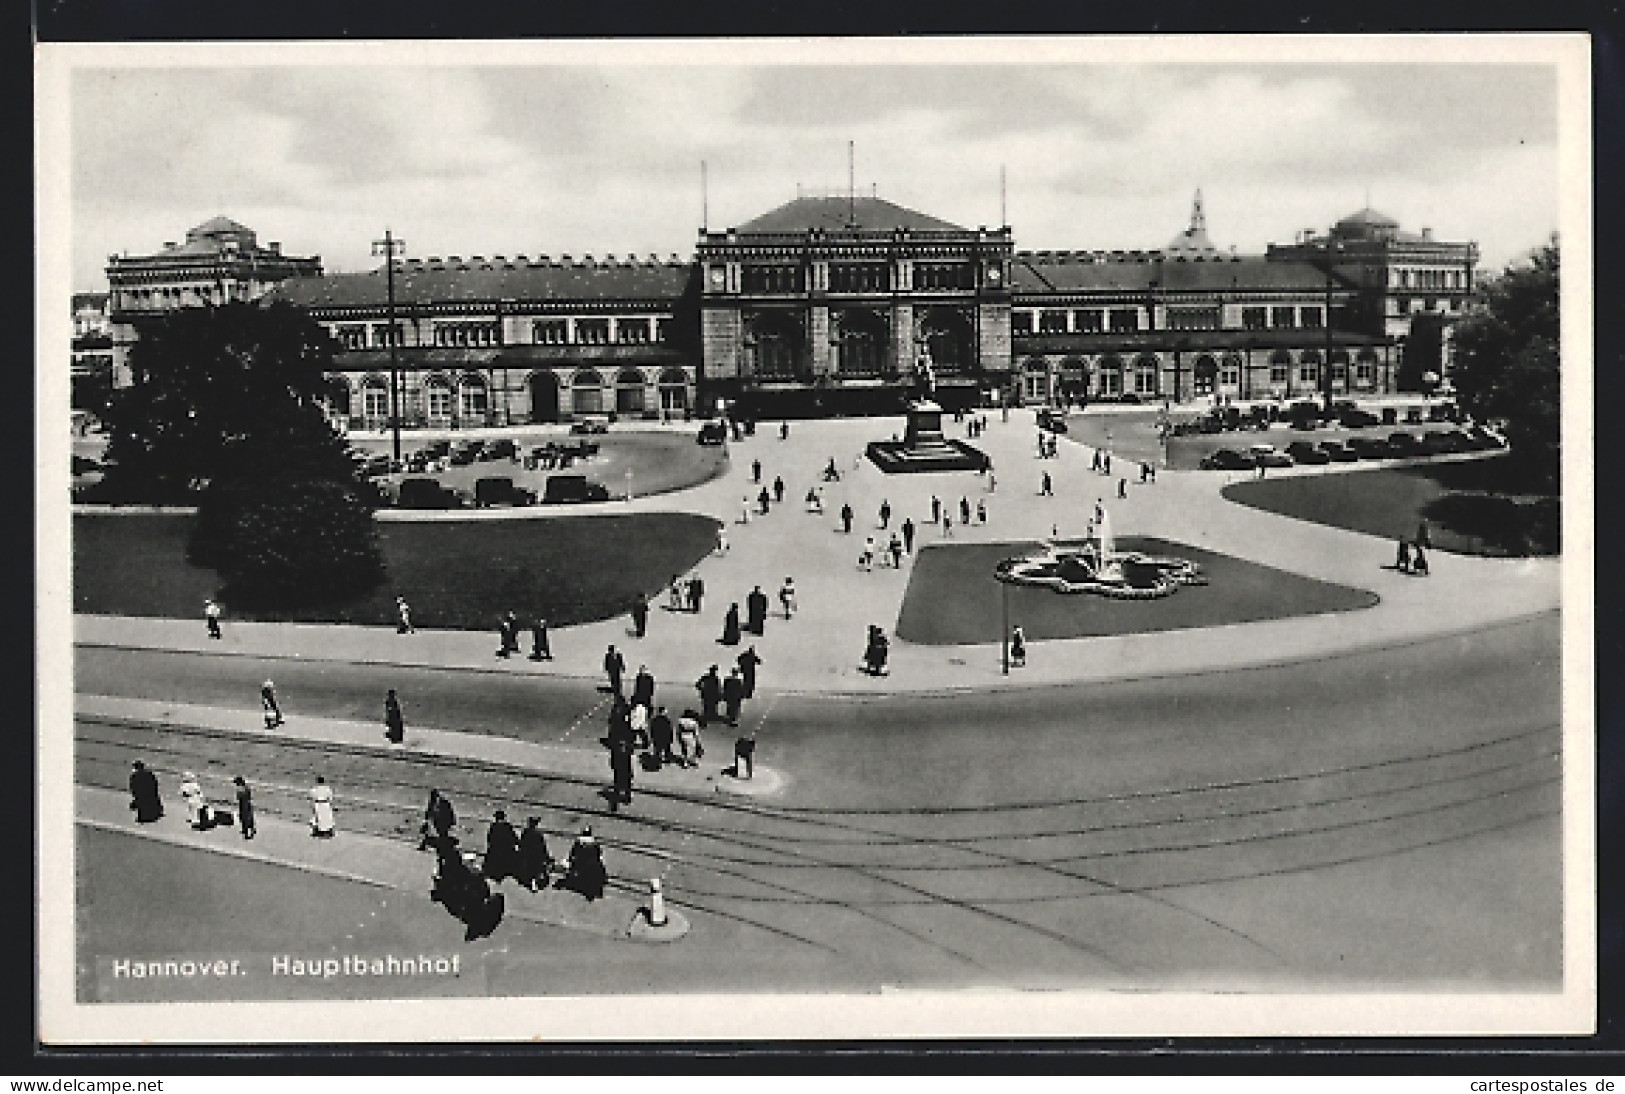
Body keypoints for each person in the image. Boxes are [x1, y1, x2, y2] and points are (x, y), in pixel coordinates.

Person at [566, 827, 608, 900]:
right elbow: (599, 853)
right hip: (591, 862)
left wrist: (570, 860)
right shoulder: (593, 842)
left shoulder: (579, 841)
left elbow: (573, 853)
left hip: (581, 862)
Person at [516, 818, 553, 892]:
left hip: (526, 857)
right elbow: (542, 848)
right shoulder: (538, 835)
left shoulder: (525, 833)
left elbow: (521, 845)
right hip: (535, 858)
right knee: (536, 870)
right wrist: (547, 858)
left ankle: (530, 881)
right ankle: (534, 882)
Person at [484, 810, 521, 882]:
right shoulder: (507, 827)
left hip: (496, 851)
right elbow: (514, 838)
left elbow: (489, 840)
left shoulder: (493, 827)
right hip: (507, 851)